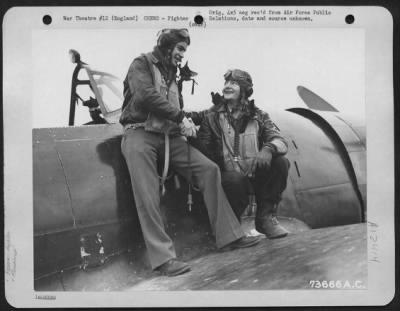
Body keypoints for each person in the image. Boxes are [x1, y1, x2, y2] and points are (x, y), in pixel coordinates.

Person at [119, 29, 261, 277]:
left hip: (169, 136)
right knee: (147, 194)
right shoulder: (141, 63)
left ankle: (228, 236)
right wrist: (179, 117)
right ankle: (163, 259)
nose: (182, 55)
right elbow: (145, 96)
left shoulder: (173, 73)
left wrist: (187, 122)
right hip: (140, 135)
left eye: (184, 50)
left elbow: (177, 108)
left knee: (209, 170)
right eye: (180, 49)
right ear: (167, 46)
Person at [195, 69, 290, 239]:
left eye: (233, 83)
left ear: (244, 89)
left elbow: (280, 140)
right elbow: (204, 150)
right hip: (229, 180)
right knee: (234, 180)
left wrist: (268, 150)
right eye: (226, 83)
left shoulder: (259, 116)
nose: (227, 86)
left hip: (254, 175)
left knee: (280, 163)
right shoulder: (211, 117)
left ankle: (265, 218)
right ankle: (232, 226)